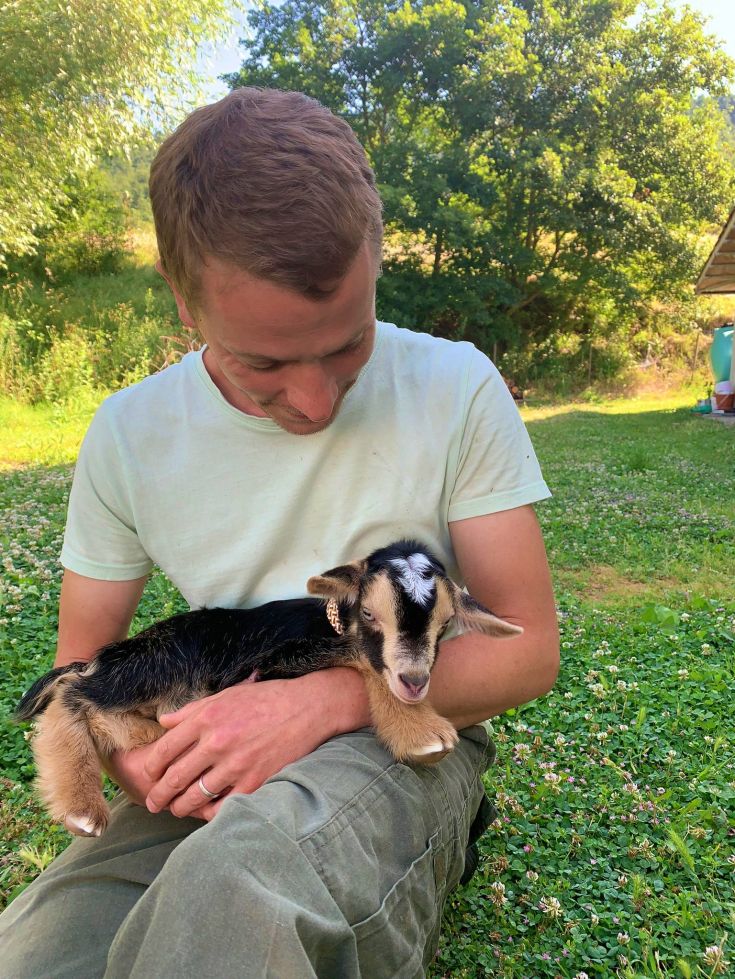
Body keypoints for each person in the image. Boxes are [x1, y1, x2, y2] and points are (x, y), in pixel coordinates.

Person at [0, 87, 559, 978]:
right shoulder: (129, 433)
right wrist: (146, 762)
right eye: (263, 361)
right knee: (40, 957)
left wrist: (321, 702)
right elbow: (83, 664)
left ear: (375, 258)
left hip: (403, 723)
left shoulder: (454, 386)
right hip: (216, 736)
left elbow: (527, 652)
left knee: (238, 892)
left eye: (347, 344)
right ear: (181, 298)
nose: (314, 399)